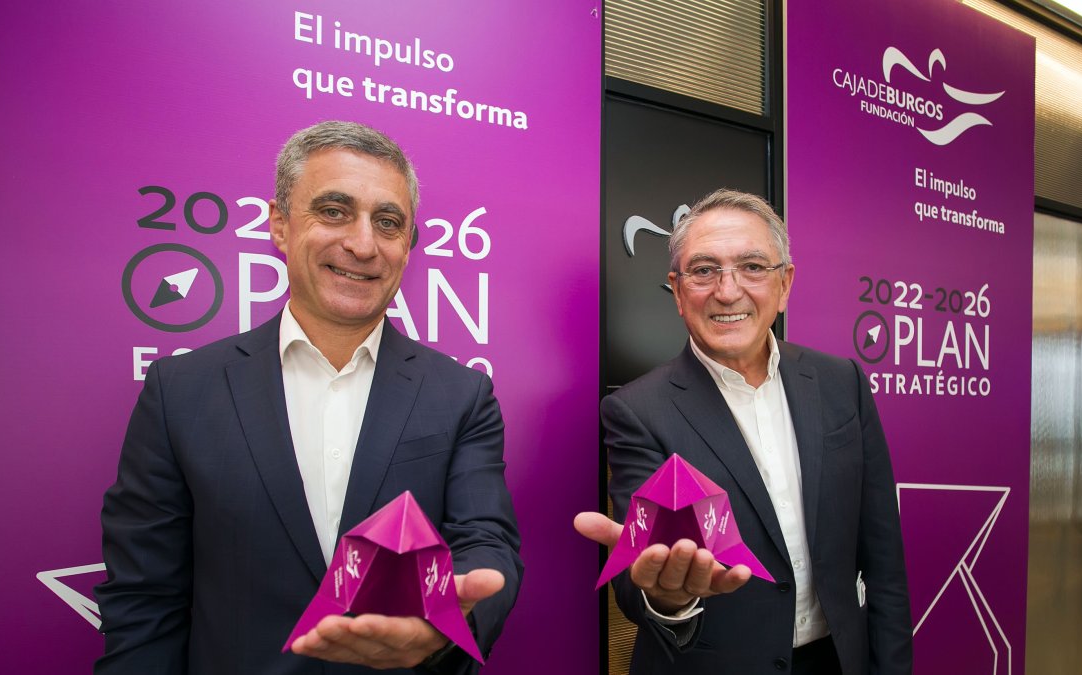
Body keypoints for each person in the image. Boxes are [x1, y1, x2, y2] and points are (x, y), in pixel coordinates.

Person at [96, 121, 522, 674]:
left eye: (388, 222)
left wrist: (447, 625)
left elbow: (484, 544)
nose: (362, 244)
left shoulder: (463, 394)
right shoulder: (180, 392)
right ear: (279, 224)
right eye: (334, 211)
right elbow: (144, 599)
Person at [576, 189, 911, 674]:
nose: (728, 291)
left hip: (837, 659)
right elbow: (640, 577)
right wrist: (669, 597)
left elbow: (884, 560)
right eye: (704, 270)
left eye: (753, 267)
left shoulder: (843, 384)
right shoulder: (637, 411)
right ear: (677, 289)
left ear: (785, 283)